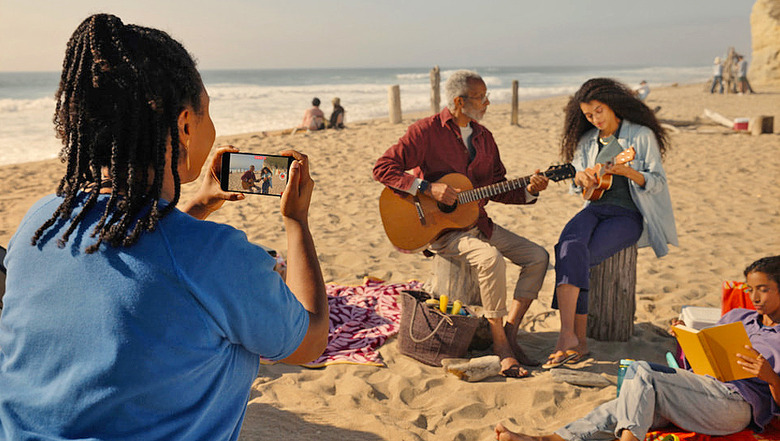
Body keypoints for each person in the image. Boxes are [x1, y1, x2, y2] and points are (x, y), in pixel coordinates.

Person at [0, 13, 328, 441]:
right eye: (207, 111)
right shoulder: (214, 254)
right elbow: (311, 341)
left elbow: (138, 262)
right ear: (186, 125)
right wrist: (296, 223)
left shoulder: (40, 222)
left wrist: (194, 206)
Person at [373, 70, 550, 378]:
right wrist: (427, 188)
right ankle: (501, 346)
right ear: (459, 101)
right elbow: (383, 168)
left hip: (479, 224)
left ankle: (509, 331)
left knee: (538, 257)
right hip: (443, 233)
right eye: (482, 97)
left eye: (486, 96)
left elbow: (498, 186)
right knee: (489, 259)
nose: (488, 103)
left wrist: (529, 191)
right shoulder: (425, 131)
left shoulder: (484, 138)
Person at [496, 255, 780, 441]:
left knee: (640, 371)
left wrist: (770, 377)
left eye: (763, 289)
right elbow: (707, 356)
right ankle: (544, 440)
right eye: (749, 289)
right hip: (701, 390)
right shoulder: (736, 317)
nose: (753, 297)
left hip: (735, 406)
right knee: (622, 405)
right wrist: (687, 337)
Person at [544, 78, 677, 368]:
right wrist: (579, 179)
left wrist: (628, 172)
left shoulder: (640, 136)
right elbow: (580, 181)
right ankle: (570, 336)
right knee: (567, 246)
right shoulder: (587, 141)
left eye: (598, 111)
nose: (595, 119)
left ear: (613, 105)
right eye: (589, 115)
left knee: (581, 257)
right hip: (594, 208)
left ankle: (573, 339)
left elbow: (657, 182)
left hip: (628, 215)